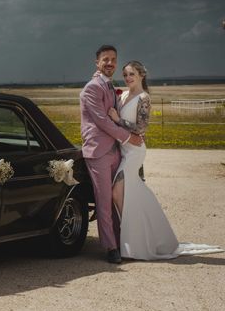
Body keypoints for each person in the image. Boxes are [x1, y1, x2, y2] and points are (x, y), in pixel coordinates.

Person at [108, 61, 222, 260]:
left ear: (141, 75)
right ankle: (138, 237)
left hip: (134, 151)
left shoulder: (144, 98)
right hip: (123, 149)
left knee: (117, 192)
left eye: (131, 74)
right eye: (125, 74)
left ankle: (132, 239)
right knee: (133, 193)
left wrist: (118, 120)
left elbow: (140, 129)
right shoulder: (124, 95)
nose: (127, 78)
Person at [80, 45, 143, 264]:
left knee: (119, 198)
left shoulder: (109, 85)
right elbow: (102, 122)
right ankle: (111, 248)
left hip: (115, 151)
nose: (110, 63)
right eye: (105, 59)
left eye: (113, 60)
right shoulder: (91, 88)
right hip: (98, 152)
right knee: (104, 201)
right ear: (97, 63)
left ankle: (122, 241)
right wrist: (129, 138)